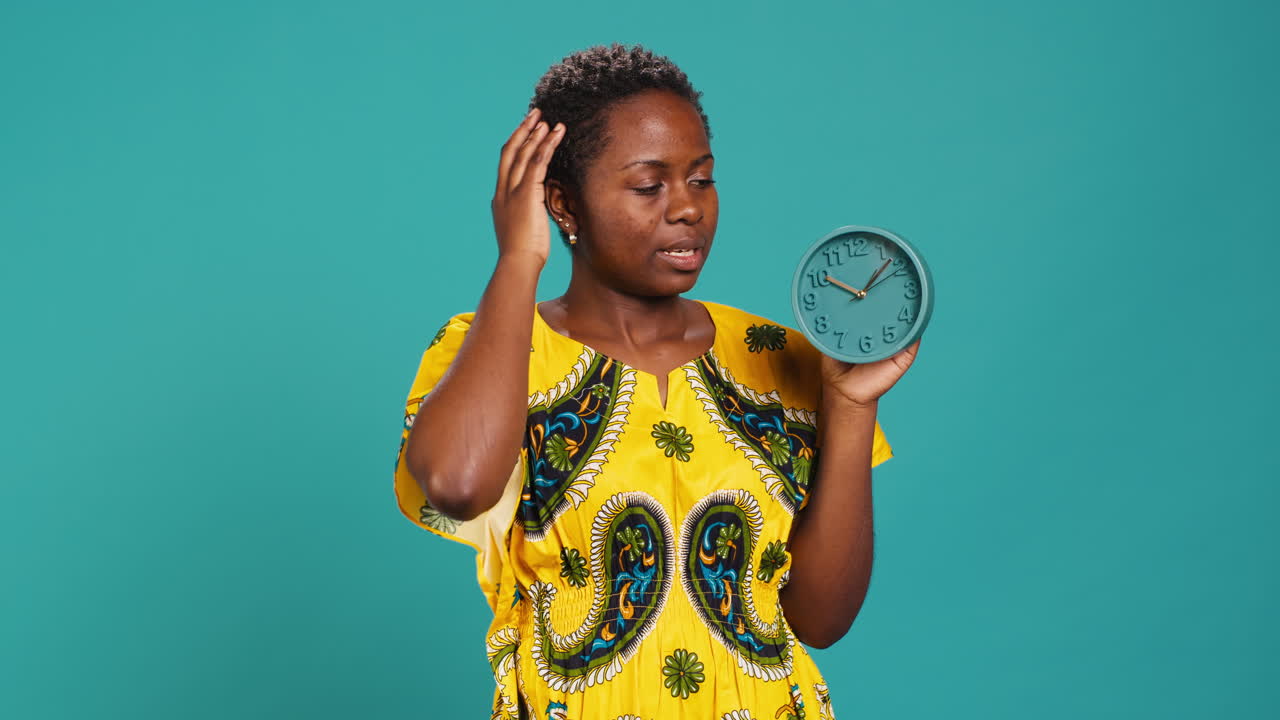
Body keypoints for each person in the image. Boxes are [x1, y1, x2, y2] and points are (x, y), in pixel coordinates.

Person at [392, 43, 920, 719]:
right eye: (650, 186)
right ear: (564, 204)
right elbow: (458, 486)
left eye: (702, 179)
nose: (688, 208)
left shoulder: (780, 357)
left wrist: (848, 404)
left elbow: (821, 620)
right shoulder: (488, 347)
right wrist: (519, 257)